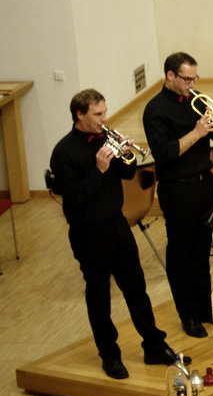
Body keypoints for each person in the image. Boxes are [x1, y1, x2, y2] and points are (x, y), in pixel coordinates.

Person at [51, 89, 190, 379]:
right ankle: (110, 355)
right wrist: (99, 169)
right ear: (80, 115)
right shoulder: (63, 152)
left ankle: (154, 345)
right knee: (99, 295)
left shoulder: (105, 139)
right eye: (97, 114)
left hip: (117, 224)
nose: (104, 119)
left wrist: (126, 156)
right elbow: (73, 199)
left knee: (136, 287)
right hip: (88, 232)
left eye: (104, 112)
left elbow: (127, 175)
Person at [143, 52, 213, 338]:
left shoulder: (196, 100)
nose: (192, 84)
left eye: (194, 78)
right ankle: (188, 315)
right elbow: (164, 153)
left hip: (204, 184)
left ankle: (204, 308)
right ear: (170, 75)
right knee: (180, 255)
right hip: (177, 189)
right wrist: (197, 132)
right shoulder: (155, 110)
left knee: (201, 252)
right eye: (186, 79)